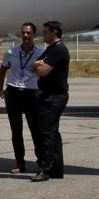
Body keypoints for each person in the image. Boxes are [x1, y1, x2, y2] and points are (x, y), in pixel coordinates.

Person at [0, 22, 42, 174]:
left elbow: (47, 74)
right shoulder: (12, 52)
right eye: (23, 33)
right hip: (14, 92)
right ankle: (19, 163)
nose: (26, 36)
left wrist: (42, 91)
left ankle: (41, 162)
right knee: (16, 131)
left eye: (29, 33)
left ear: (34, 34)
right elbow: (2, 71)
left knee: (36, 130)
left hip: (31, 93)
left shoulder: (41, 53)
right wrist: (0, 89)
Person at [29, 20, 71, 181]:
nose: (43, 34)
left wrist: (38, 66)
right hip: (48, 95)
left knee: (46, 132)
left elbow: (41, 72)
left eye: (45, 32)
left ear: (54, 32)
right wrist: (36, 64)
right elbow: (32, 68)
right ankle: (56, 169)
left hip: (55, 96)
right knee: (53, 133)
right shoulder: (50, 50)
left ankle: (45, 169)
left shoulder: (58, 50)